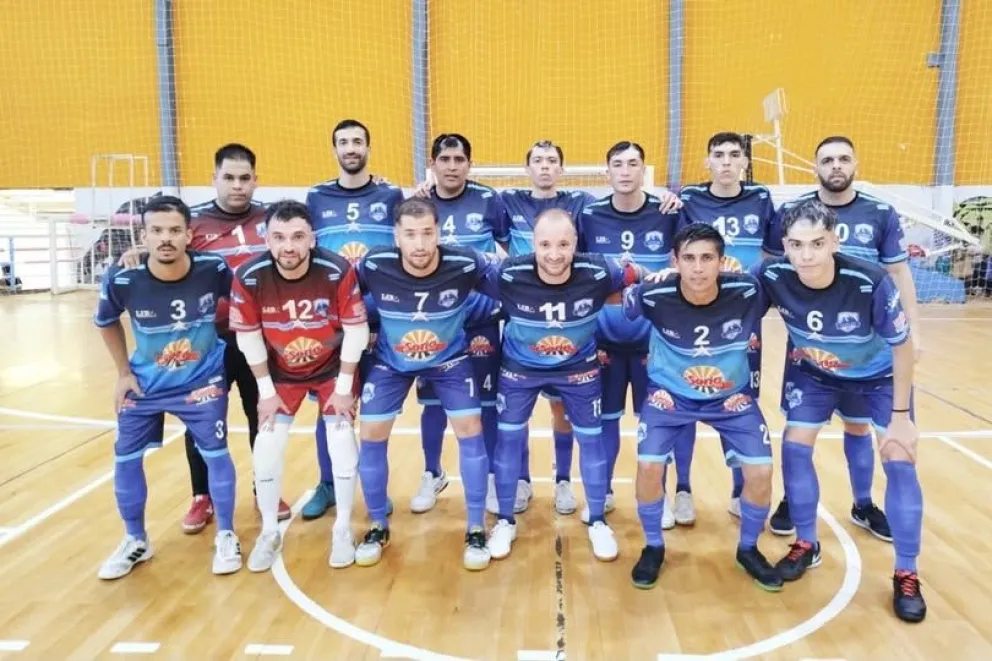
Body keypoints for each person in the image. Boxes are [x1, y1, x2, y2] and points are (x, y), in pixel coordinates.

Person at [759, 198, 925, 622]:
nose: (806, 254)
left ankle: (906, 572)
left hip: (877, 377)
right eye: (796, 245)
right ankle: (806, 543)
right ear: (785, 245)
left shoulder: (869, 280)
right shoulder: (774, 276)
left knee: (900, 459)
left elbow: (902, 347)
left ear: (834, 241)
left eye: (817, 243)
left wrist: (902, 418)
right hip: (815, 372)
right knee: (794, 447)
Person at [118, 143, 290, 530]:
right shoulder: (191, 222)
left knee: (262, 414)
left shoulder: (271, 219)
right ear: (214, 179)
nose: (237, 185)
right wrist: (132, 255)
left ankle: (265, 487)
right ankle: (202, 495)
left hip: (259, 338)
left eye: (245, 178)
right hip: (204, 341)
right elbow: (161, 250)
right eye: (228, 177)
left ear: (255, 181)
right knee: (200, 417)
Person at [763, 136, 921, 539]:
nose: (836, 166)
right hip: (814, 343)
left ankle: (863, 502)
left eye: (844, 159)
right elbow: (769, 271)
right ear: (815, 166)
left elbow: (899, 273)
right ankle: (796, 504)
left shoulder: (879, 212)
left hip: (869, 338)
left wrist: (913, 331)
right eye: (827, 159)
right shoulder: (790, 212)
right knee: (798, 439)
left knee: (858, 428)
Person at [623, 224, 781, 591]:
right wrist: (646, 276)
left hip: (731, 399)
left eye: (707, 258)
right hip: (669, 396)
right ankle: (653, 547)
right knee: (648, 466)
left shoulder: (748, 290)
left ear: (722, 262)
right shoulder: (654, 293)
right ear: (675, 261)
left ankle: (748, 549)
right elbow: (620, 297)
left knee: (760, 472)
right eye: (689, 259)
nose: (698, 268)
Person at [94, 196, 242, 579]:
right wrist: (123, 373)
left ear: (190, 235)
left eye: (175, 230)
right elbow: (106, 322)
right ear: (143, 236)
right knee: (125, 458)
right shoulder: (123, 279)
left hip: (201, 382)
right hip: (145, 385)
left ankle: (226, 534)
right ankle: (135, 540)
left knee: (216, 454)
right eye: (156, 230)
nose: (166, 238)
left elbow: (246, 301)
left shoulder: (214, 268)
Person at [353, 197, 501, 571]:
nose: (419, 244)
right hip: (392, 361)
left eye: (427, 234)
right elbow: (338, 295)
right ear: (396, 236)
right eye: (410, 235)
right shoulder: (373, 264)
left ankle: (474, 527)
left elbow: (514, 282)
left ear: (439, 232)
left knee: (471, 428)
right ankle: (377, 524)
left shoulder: (465, 262)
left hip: (450, 360)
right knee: (370, 432)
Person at [485, 208, 641, 563]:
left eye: (563, 244)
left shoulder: (602, 270)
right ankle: (506, 520)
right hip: (520, 367)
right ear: (532, 245)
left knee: (591, 439)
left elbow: (642, 276)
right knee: (509, 438)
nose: (554, 254)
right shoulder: (509, 272)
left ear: (575, 244)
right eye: (545, 244)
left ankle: (598, 520)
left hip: (578, 368)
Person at [230, 200, 370, 571]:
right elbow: (248, 338)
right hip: (282, 373)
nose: (287, 246)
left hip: (331, 368)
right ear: (267, 239)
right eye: (278, 237)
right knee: (267, 444)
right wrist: (265, 392)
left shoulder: (336, 270)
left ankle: (342, 527)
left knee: (341, 437)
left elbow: (357, 332)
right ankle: (268, 533)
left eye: (296, 237)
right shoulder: (249, 275)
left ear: (312, 239)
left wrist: (343, 388)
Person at [671, 131, 777, 524]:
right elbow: (675, 254)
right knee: (682, 402)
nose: (728, 161)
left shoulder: (762, 198)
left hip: (741, 319)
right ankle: (682, 489)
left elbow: (776, 253)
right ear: (707, 162)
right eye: (719, 154)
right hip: (694, 316)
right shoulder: (689, 200)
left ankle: (738, 488)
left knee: (738, 402)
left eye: (735, 155)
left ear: (745, 163)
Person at [302, 118, 404, 521]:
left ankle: (372, 487)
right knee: (330, 407)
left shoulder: (391, 194)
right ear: (334, 150)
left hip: (380, 323)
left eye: (357, 141)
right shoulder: (316, 197)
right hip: (333, 325)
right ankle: (328, 483)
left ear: (368, 147)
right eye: (343, 142)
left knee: (376, 412)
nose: (351, 148)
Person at [578, 140, 679, 522]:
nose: (625, 171)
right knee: (604, 423)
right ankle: (600, 493)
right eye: (617, 164)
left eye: (632, 164)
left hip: (655, 343)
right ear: (607, 173)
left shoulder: (668, 212)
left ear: (643, 170)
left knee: (658, 424)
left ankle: (660, 497)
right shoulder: (589, 216)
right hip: (604, 341)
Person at [412, 133, 512, 514]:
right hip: (433, 325)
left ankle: (485, 476)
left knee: (486, 401)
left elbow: (509, 250)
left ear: (469, 164)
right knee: (434, 403)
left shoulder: (489, 200)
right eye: (445, 159)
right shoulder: (418, 204)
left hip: (481, 320)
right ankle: (432, 471)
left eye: (459, 159)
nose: (452, 166)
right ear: (433, 164)